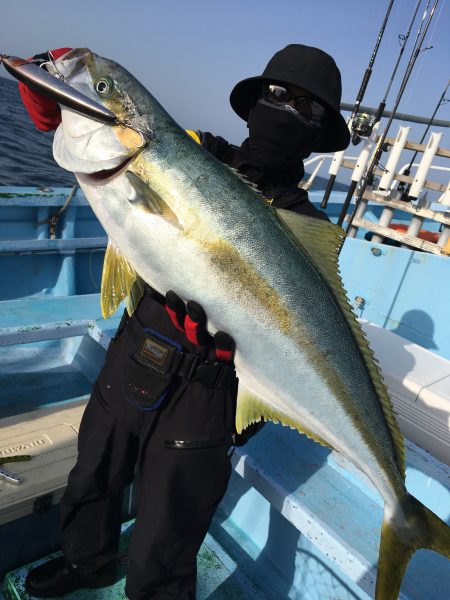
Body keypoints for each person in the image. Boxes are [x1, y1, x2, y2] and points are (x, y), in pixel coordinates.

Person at [21, 44, 350, 599]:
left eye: (308, 109)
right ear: (252, 105)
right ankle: (86, 564)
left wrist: (236, 363)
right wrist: (53, 85)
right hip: (136, 348)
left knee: (166, 539)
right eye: (277, 96)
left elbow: (301, 333)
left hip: (209, 392)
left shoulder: (306, 226)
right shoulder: (194, 151)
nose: (288, 111)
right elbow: (86, 124)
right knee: (91, 477)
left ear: (319, 133)